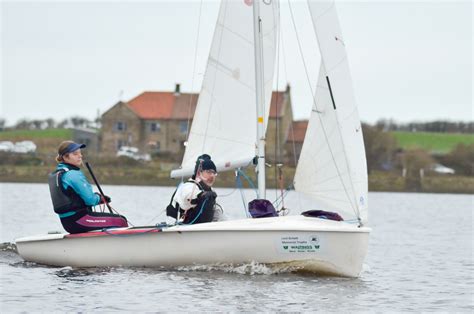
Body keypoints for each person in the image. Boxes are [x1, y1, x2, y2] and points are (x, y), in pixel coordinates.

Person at [48, 140, 128, 234]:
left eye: (80, 153)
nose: (80, 156)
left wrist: (98, 198)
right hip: (81, 220)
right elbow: (90, 200)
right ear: (66, 157)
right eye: (75, 154)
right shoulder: (73, 174)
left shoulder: (59, 173)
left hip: (67, 223)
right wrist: (100, 198)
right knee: (121, 220)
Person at [167, 154, 223, 224]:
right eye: (208, 172)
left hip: (202, 228)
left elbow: (218, 213)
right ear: (199, 173)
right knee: (209, 197)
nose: (212, 175)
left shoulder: (211, 191)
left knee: (210, 197)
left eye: (214, 172)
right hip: (181, 227)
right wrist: (201, 195)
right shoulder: (188, 186)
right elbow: (189, 195)